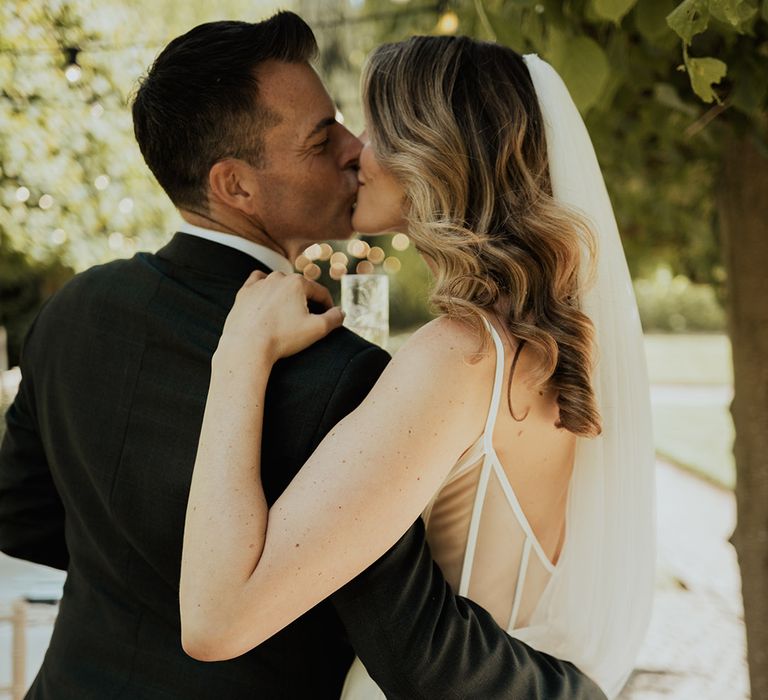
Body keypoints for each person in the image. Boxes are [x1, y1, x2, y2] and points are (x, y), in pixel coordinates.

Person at [0, 13, 606, 700]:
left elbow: (22, 516)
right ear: (235, 187)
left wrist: (132, 577)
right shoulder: (342, 373)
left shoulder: (72, 310)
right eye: (323, 140)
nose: (353, 150)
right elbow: (406, 634)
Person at [180, 33, 656, 699]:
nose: (355, 153)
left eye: (377, 128)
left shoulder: (460, 356)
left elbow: (217, 620)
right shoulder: (533, 345)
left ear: (435, 152)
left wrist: (238, 359)